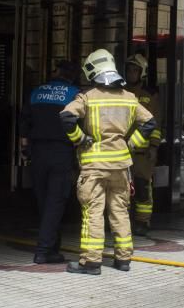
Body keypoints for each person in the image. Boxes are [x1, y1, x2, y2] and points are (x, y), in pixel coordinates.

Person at [61, 49, 156, 275]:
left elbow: (66, 117)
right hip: (121, 166)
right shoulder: (129, 98)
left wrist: (80, 139)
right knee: (120, 212)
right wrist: (131, 143)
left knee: (93, 213)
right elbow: (150, 123)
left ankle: (91, 262)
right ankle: (123, 260)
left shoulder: (88, 96)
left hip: (94, 166)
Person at [20, 60, 81, 264]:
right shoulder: (75, 94)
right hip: (60, 152)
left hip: (37, 152)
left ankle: (52, 246)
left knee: (43, 200)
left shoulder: (37, 92)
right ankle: (44, 250)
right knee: (56, 202)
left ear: (56, 73)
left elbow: (24, 122)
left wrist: (25, 148)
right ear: (71, 75)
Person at [124, 54, 162, 236]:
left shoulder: (149, 96)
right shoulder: (119, 92)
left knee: (142, 188)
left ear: (142, 73)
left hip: (142, 152)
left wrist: (153, 147)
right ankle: (123, 221)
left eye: (135, 70)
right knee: (121, 188)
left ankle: (142, 221)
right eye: (129, 70)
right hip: (122, 150)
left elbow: (156, 123)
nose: (131, 74)